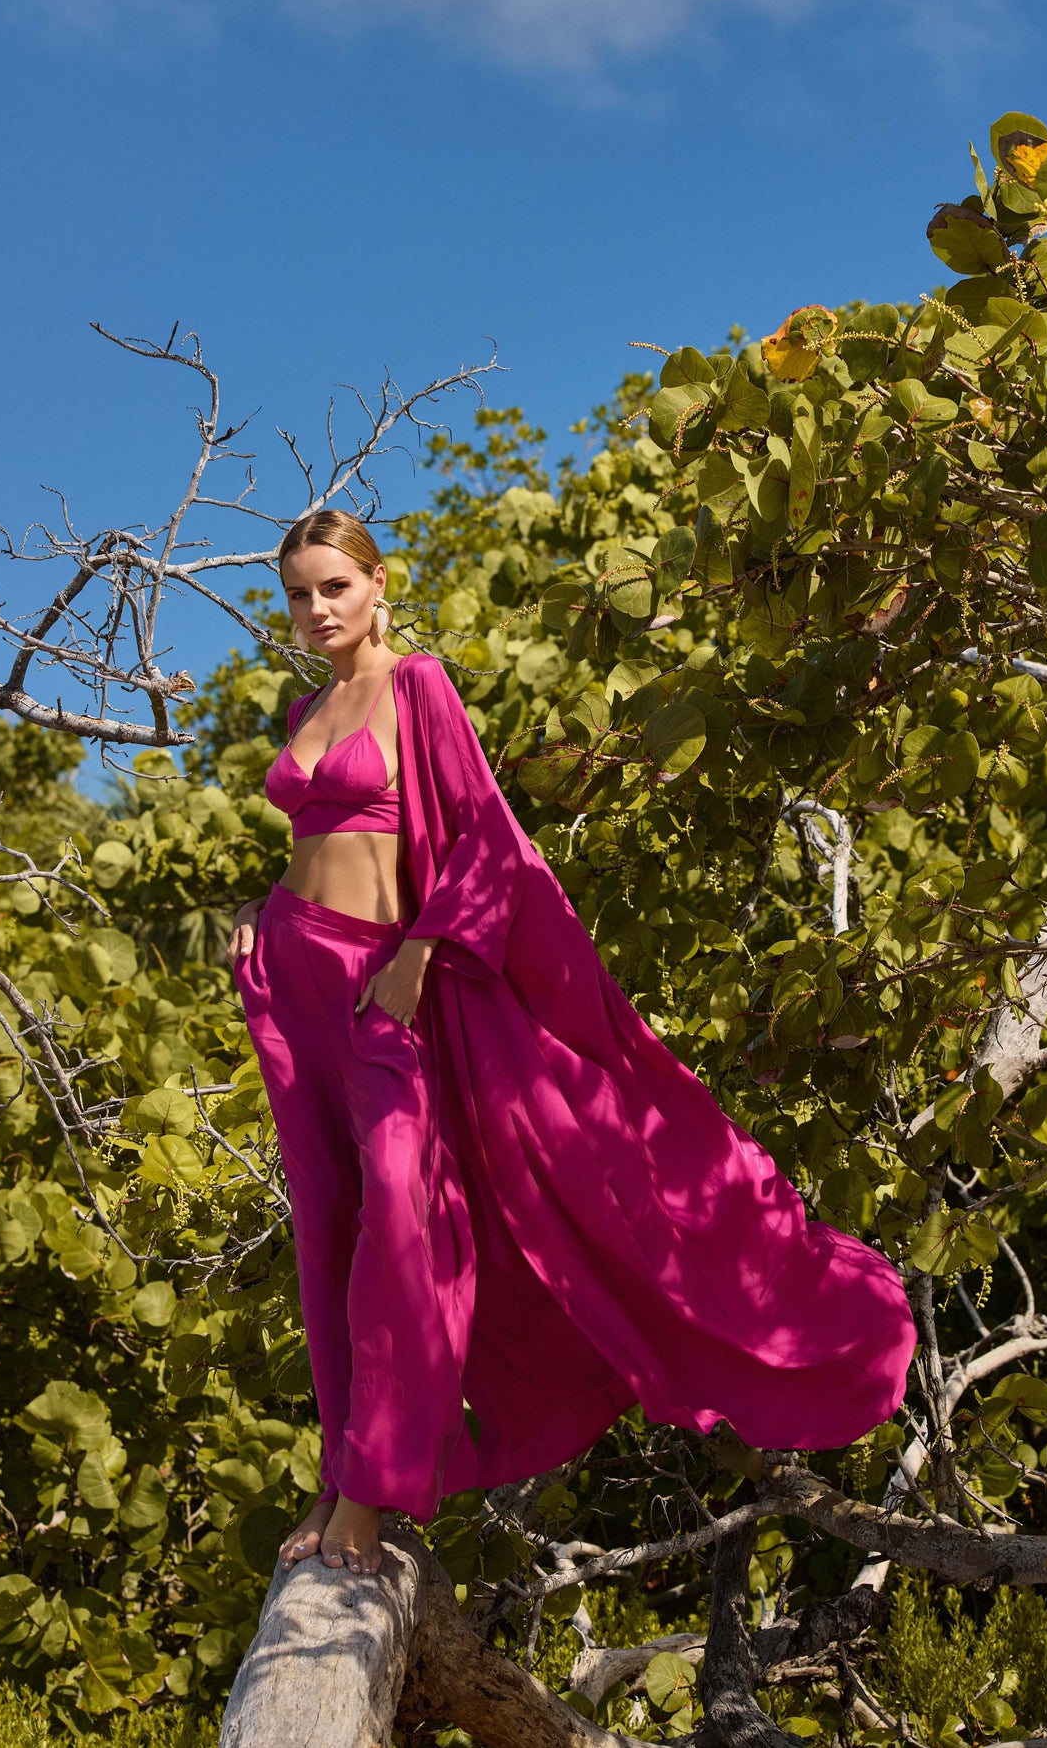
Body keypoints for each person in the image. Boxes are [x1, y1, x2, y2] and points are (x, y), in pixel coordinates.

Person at [228, 510, 916, 1577]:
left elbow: (485, 843)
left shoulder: (418, 687)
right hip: (290, 975)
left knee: (402, 1218)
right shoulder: (302, 708)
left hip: (384, 984)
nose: (314, 611)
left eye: (332, 588)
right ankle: (336, 1481)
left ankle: (371, 1491)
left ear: (375, 585)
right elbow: (318, 842)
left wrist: (421, 950)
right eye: (296, 595)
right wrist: (254, 919)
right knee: (331, 1226)